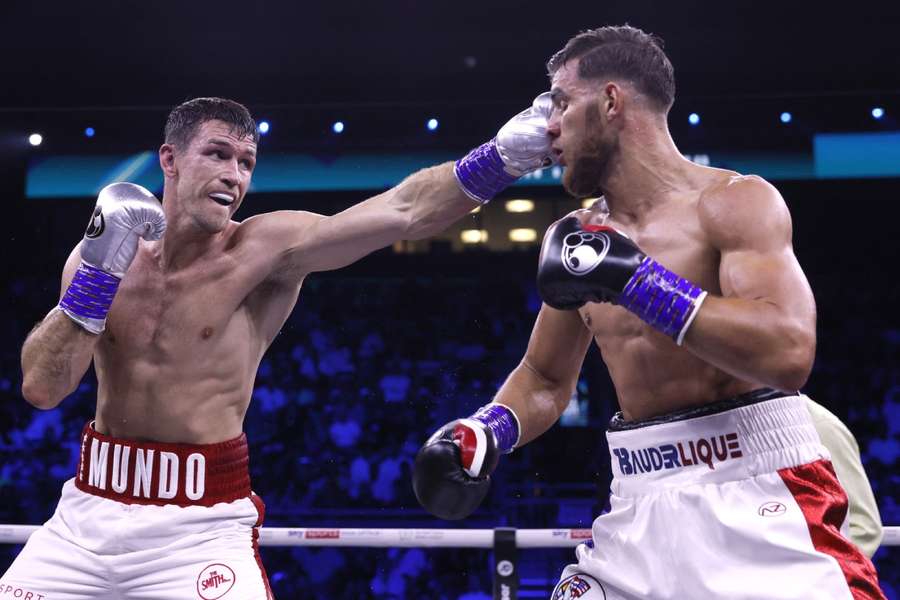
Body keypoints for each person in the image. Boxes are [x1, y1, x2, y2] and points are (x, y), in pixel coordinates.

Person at [4, 96, 555, 599]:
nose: (233, 176)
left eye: (245, 163)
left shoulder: (264, 251)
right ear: (169, 160)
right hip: (85, 515)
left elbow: (403, 210)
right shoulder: (98, 255)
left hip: (197, 532)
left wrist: (502, 156)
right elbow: (43, 388)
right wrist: (97, 276)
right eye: (217, 154)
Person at [413, 26, 886, 599]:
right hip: (637, 499)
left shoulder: (733, 202)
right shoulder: (576, 235)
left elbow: (787, 352)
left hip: (758, 495)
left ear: (611, 102)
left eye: (561, 102)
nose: (548, 126)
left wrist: (639, 282)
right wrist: (483, 431)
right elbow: (544, 377)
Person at [805, 398, 884, 558]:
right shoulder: (744, 419)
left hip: (809, 575)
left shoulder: (820, 425)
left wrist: (821, 575)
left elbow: (864, 527)